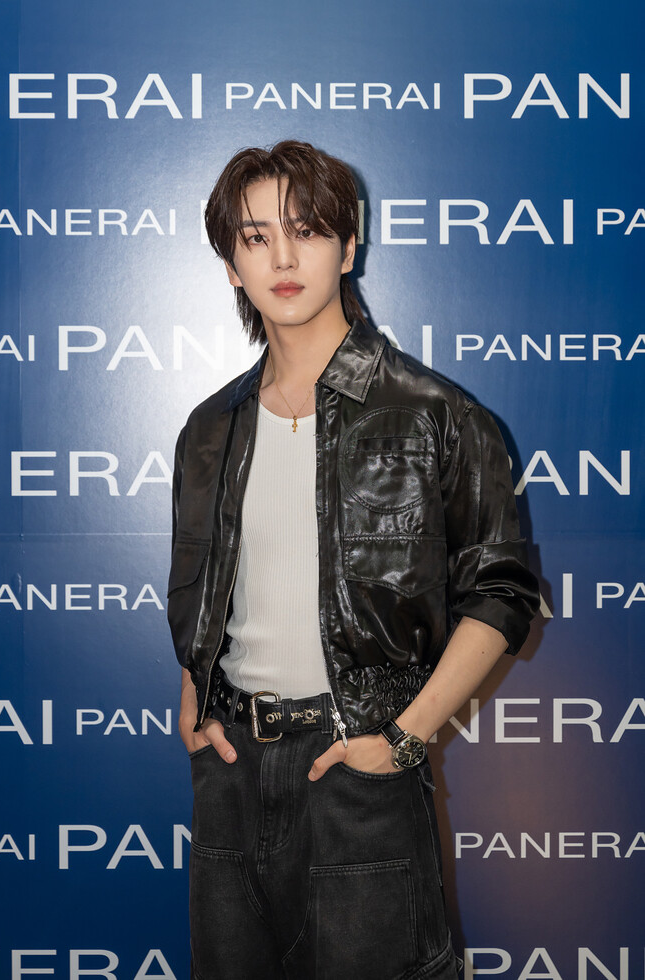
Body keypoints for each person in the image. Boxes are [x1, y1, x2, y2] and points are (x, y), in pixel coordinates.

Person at [168, 139, 540, 980]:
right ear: (230, 264)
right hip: (230, 777)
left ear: (347, 245)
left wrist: (402, 741)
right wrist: (194, 705)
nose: (283, 257)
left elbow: (501, 594)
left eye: (306, 229)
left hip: (359, 769)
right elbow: (202, 589)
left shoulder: (438, 415)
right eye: (256, 236)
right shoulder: (209, 429)